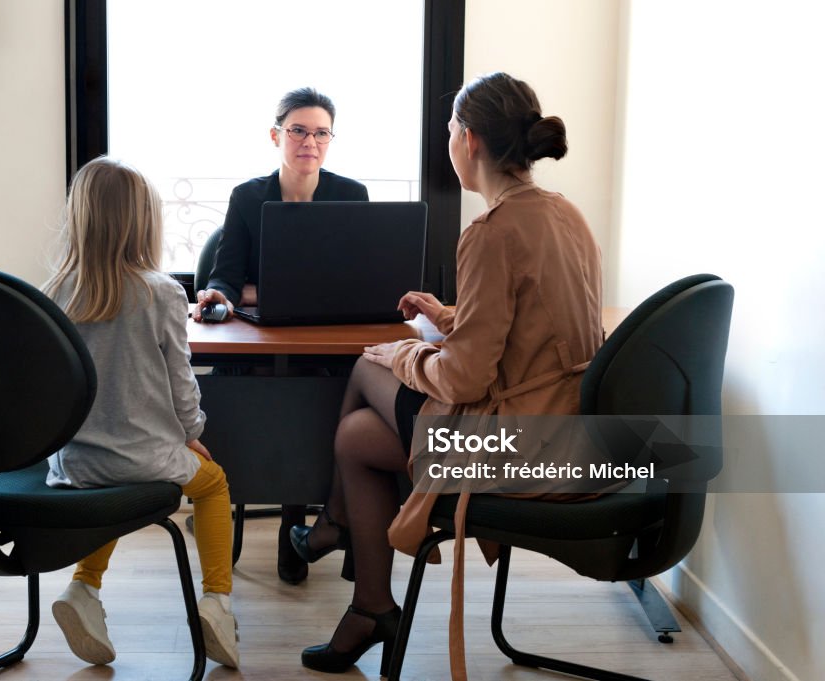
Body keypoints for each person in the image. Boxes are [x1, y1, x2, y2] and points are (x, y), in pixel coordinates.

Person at [289, 72, 604, 675]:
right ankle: (368, 600)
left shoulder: (490, 231)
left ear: (471, 141)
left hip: (512, 445)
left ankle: (334, 532)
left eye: (450, 129)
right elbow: (537, 323)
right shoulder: (564, 215)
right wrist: (451, 315)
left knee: (365, 363)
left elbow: (461, 381)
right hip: (562, 425)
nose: (449, 141)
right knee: (356, 438)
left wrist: (401, 354)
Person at [43, 157, 240, 669]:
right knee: (213, 482)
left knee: (109, 488)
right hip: (145, 460)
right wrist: (192, 434)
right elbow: (182, 390)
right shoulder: (161, 292)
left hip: (75, 465)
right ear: (143, 223)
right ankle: (217, 600)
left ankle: (83, 588)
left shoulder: (54, 295)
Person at [191, 87, 369, 585]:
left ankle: (333, 525)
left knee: (336, 392)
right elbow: (225, 277)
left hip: (327, 341)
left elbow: (356, 279)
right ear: (276, 135)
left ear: (330, 141)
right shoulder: (249, 197)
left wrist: (257, 289)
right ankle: (292, 520)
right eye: (297, 130)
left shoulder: (350, 196)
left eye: (320, 133)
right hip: (263, 343)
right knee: (269, 395)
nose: (309, 141)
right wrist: (224, 294)